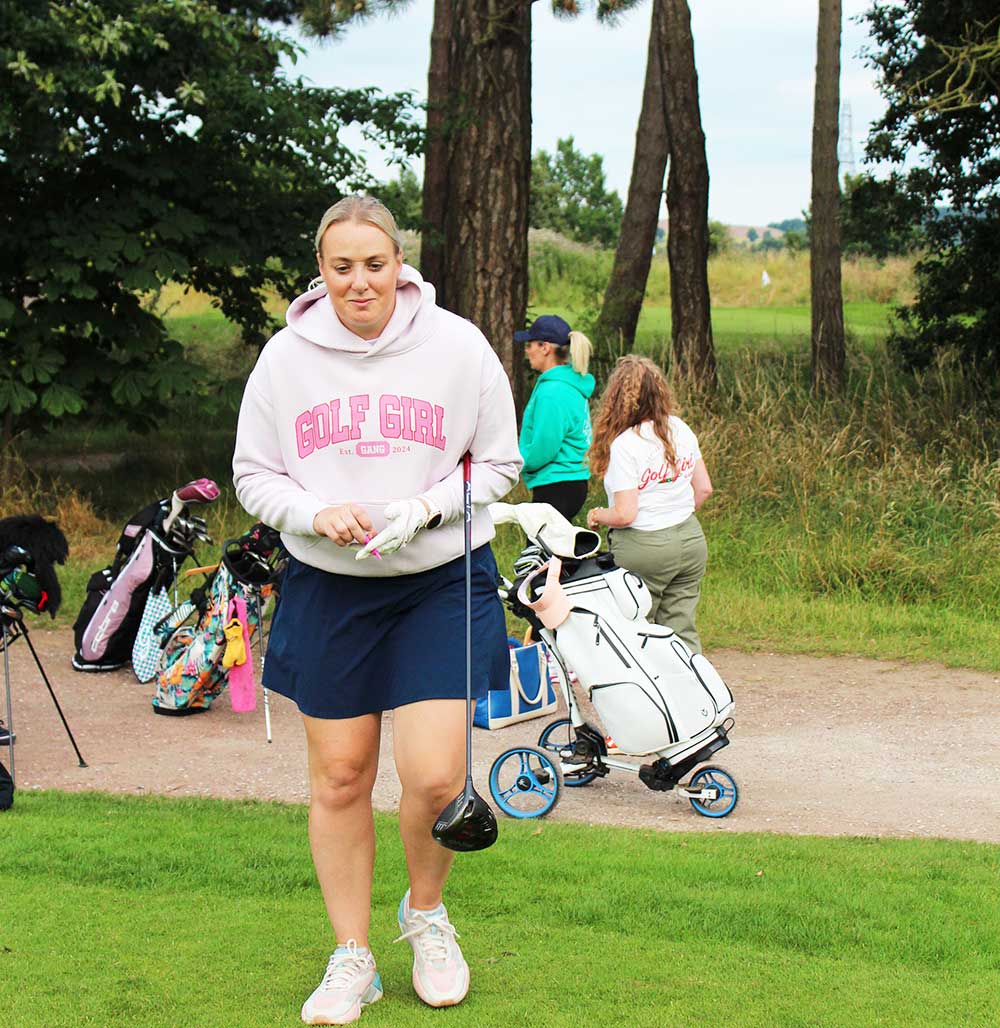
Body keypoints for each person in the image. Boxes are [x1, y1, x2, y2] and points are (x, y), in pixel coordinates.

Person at [232, 195, 521, 1025]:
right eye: (341, 266)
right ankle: (351, 955)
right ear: (319, 271)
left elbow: (498, 465)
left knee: (435, 777)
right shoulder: (286, 359)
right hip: (330, 585)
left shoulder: (459, 347)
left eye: (375, 263)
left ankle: (425, 916)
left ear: (401, 263)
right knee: (342, 775)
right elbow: (255, 474)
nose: (360, 282)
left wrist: (427, 509)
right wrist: (310, 512)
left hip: (439, 579)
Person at [586, 355, 713, 654]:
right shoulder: (679, 429)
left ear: (616, 399)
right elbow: (704, 488)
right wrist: (674, 512)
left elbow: (625, 513)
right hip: (690, 539)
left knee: (638, 628)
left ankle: (648, 697)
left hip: (645, 547)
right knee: (682, 627)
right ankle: (694, 692)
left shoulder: (626, 445)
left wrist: (597, 515)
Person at [515, 314, 595, 521]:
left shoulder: (552, 392)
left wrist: (516, 463)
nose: (527, 350)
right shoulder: (570, 383)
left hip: (556, 486)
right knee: (556, 551)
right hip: (571, 482)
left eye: (530, 344)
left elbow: (544, 446)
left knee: (538, 552)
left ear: (545, 347)